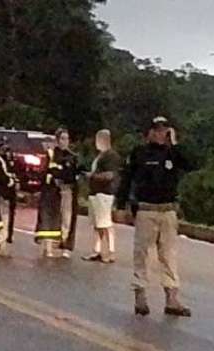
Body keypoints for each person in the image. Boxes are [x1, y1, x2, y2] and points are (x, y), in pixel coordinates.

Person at [117, 116, 192, 317]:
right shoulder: (140, 153)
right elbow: (127, 178)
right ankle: (140, 294)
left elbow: (190, 164)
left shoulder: (172, 154)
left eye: (164, 131)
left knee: (168, 255)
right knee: (142, 253)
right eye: (157, 130)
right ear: (149, 132)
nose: (161, 134)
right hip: (146, 209)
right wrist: (121, 204)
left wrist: (174, 144)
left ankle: (172, 297)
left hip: (167, 210)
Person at [35, 127, 80, 259]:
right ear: (57, 140)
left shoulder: (72, 156)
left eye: (67, 138)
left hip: (67, 190)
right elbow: (45, 173)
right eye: (62, 138)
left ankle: (66, 246)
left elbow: (75, 174)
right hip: (52, 191)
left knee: (67, 219)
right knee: (50, 218)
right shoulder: (51, 154)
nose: (65, 141)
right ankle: (48, 247)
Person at [83, 129, 122, 263]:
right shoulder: (100, 155)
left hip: (104, 193)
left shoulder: (112, 156)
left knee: (105, 223)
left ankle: (111, 251)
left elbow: (110, 175)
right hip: (95, 192)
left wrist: (92, 176)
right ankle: (97, 250)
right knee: (97, 223)